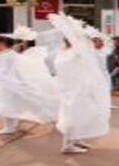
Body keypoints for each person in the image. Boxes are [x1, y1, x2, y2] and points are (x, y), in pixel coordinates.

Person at [48, 13, 111, 154]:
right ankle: (67, 145)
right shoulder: (72, 53)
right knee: (73, 116)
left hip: (77, 89)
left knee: (81, 114)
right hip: (73, 90)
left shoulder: (68, 52)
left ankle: (76, 140)